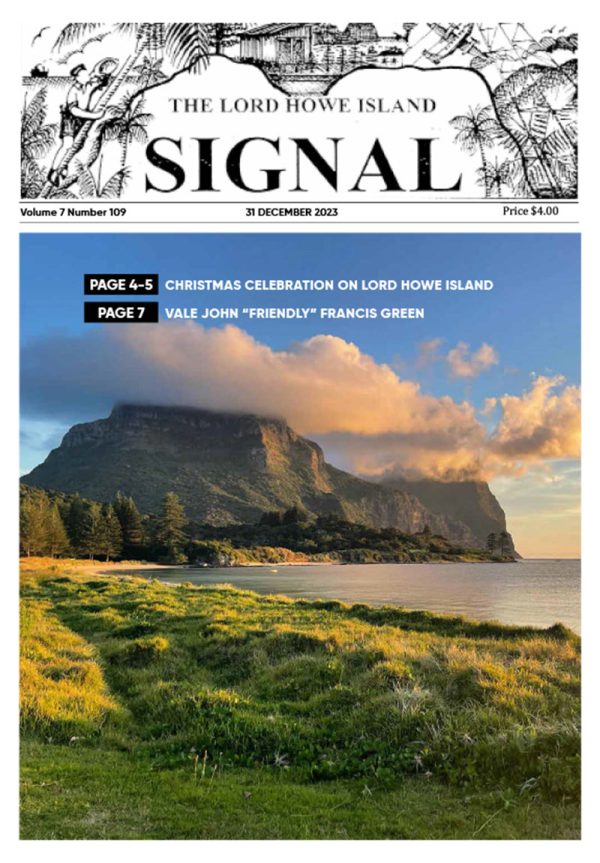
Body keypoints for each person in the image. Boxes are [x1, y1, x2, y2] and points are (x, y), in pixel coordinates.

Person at [48, 63, 109, 186]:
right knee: (68, 144)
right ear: (77, 77)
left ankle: (63, 165)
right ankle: (53, 171)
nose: (88, 76)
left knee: (78, 145)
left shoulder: (87, 86)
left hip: (81, 120)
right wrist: (94, 116)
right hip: (70, 119)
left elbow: (102, 82)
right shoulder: (73, 90)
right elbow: (73, 110)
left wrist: (103, 74)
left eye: (87, 74)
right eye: (84, 75)